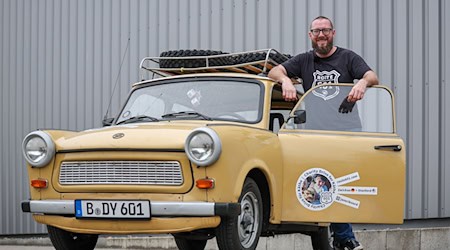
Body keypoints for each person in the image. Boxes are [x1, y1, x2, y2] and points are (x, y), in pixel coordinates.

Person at [268, 15, 378, 250]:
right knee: (321, 183)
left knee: (340, 183)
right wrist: (286, 81)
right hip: (316, 134)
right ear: (310, 35)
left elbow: (372, 76)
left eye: (325, 30)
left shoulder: (348, 57)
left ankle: (342, 237)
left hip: (347, 132)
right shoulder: (305, 60)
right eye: (316, 31)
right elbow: (274, 72)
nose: (321, 35)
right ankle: (341, 238)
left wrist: (362, 83)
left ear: (333, 33)